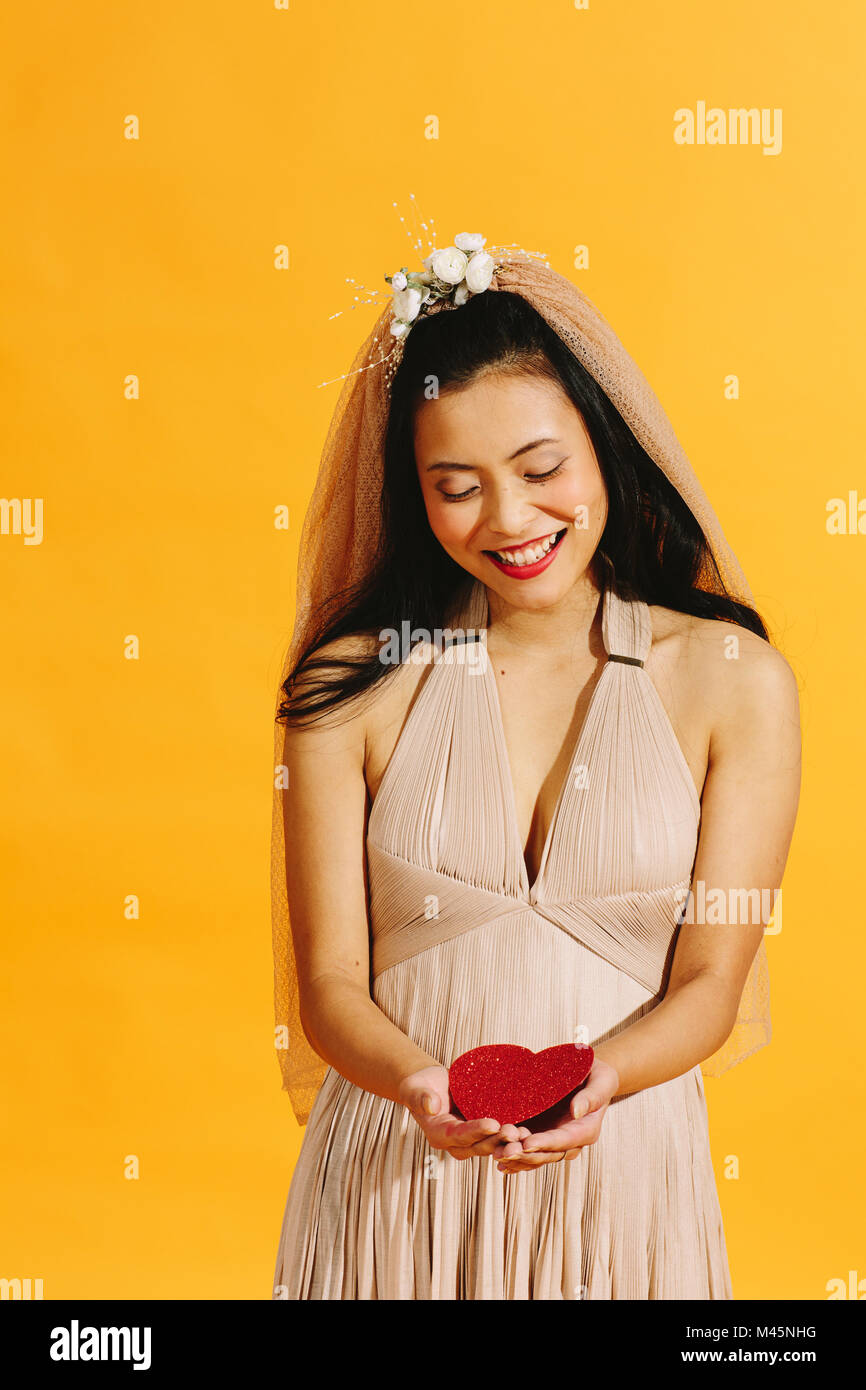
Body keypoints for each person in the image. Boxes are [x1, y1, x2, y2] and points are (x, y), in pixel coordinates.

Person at [269, 232, 801, 1299]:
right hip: (393, 1179)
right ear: (411, 492)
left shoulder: (733, 679)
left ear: (604, 444)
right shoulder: (350, 685)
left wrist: (600, 1079)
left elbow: (708, 983)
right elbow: (328, 984)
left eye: (541, 469)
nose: (509, 520)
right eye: (454, 485)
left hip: (623, 1173)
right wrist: (420, 1089)